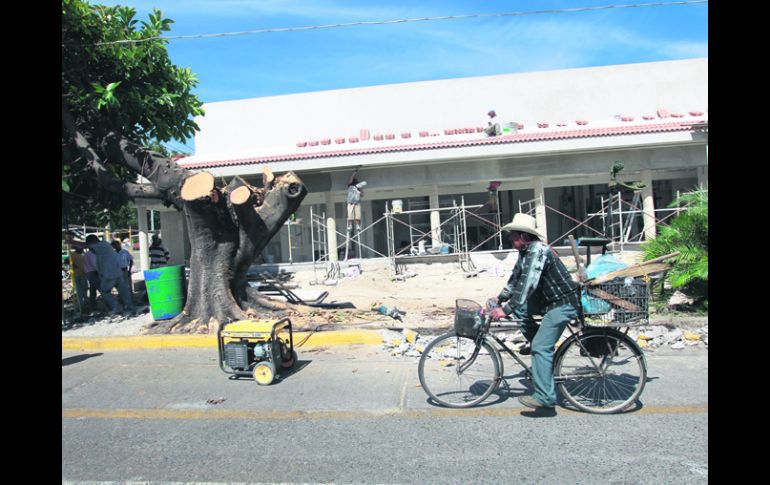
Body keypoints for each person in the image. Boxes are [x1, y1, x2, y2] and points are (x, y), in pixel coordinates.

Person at [489, 213, 581, 410]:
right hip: (548, 301)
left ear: (523, 236)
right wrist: (500, 298)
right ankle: (539, 346)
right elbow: (515, 279)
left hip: (562, 303)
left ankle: (545, 396)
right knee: (521, 310)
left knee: (540, 347)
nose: (510, 238)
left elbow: (528, 283)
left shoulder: (538, 251)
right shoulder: (525, 252)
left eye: (513, 235)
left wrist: (506, 309)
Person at [85, 234, 134, 315]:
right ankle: (130, 306)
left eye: (90, 246)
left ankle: (116, 306)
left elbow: (84, 246)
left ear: (93, 242)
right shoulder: (103, 247)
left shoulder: (101, 245)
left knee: (104, 291)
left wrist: (72, 242)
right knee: (123, 290)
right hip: (117, 272)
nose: (90, 249)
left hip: (109, 274)